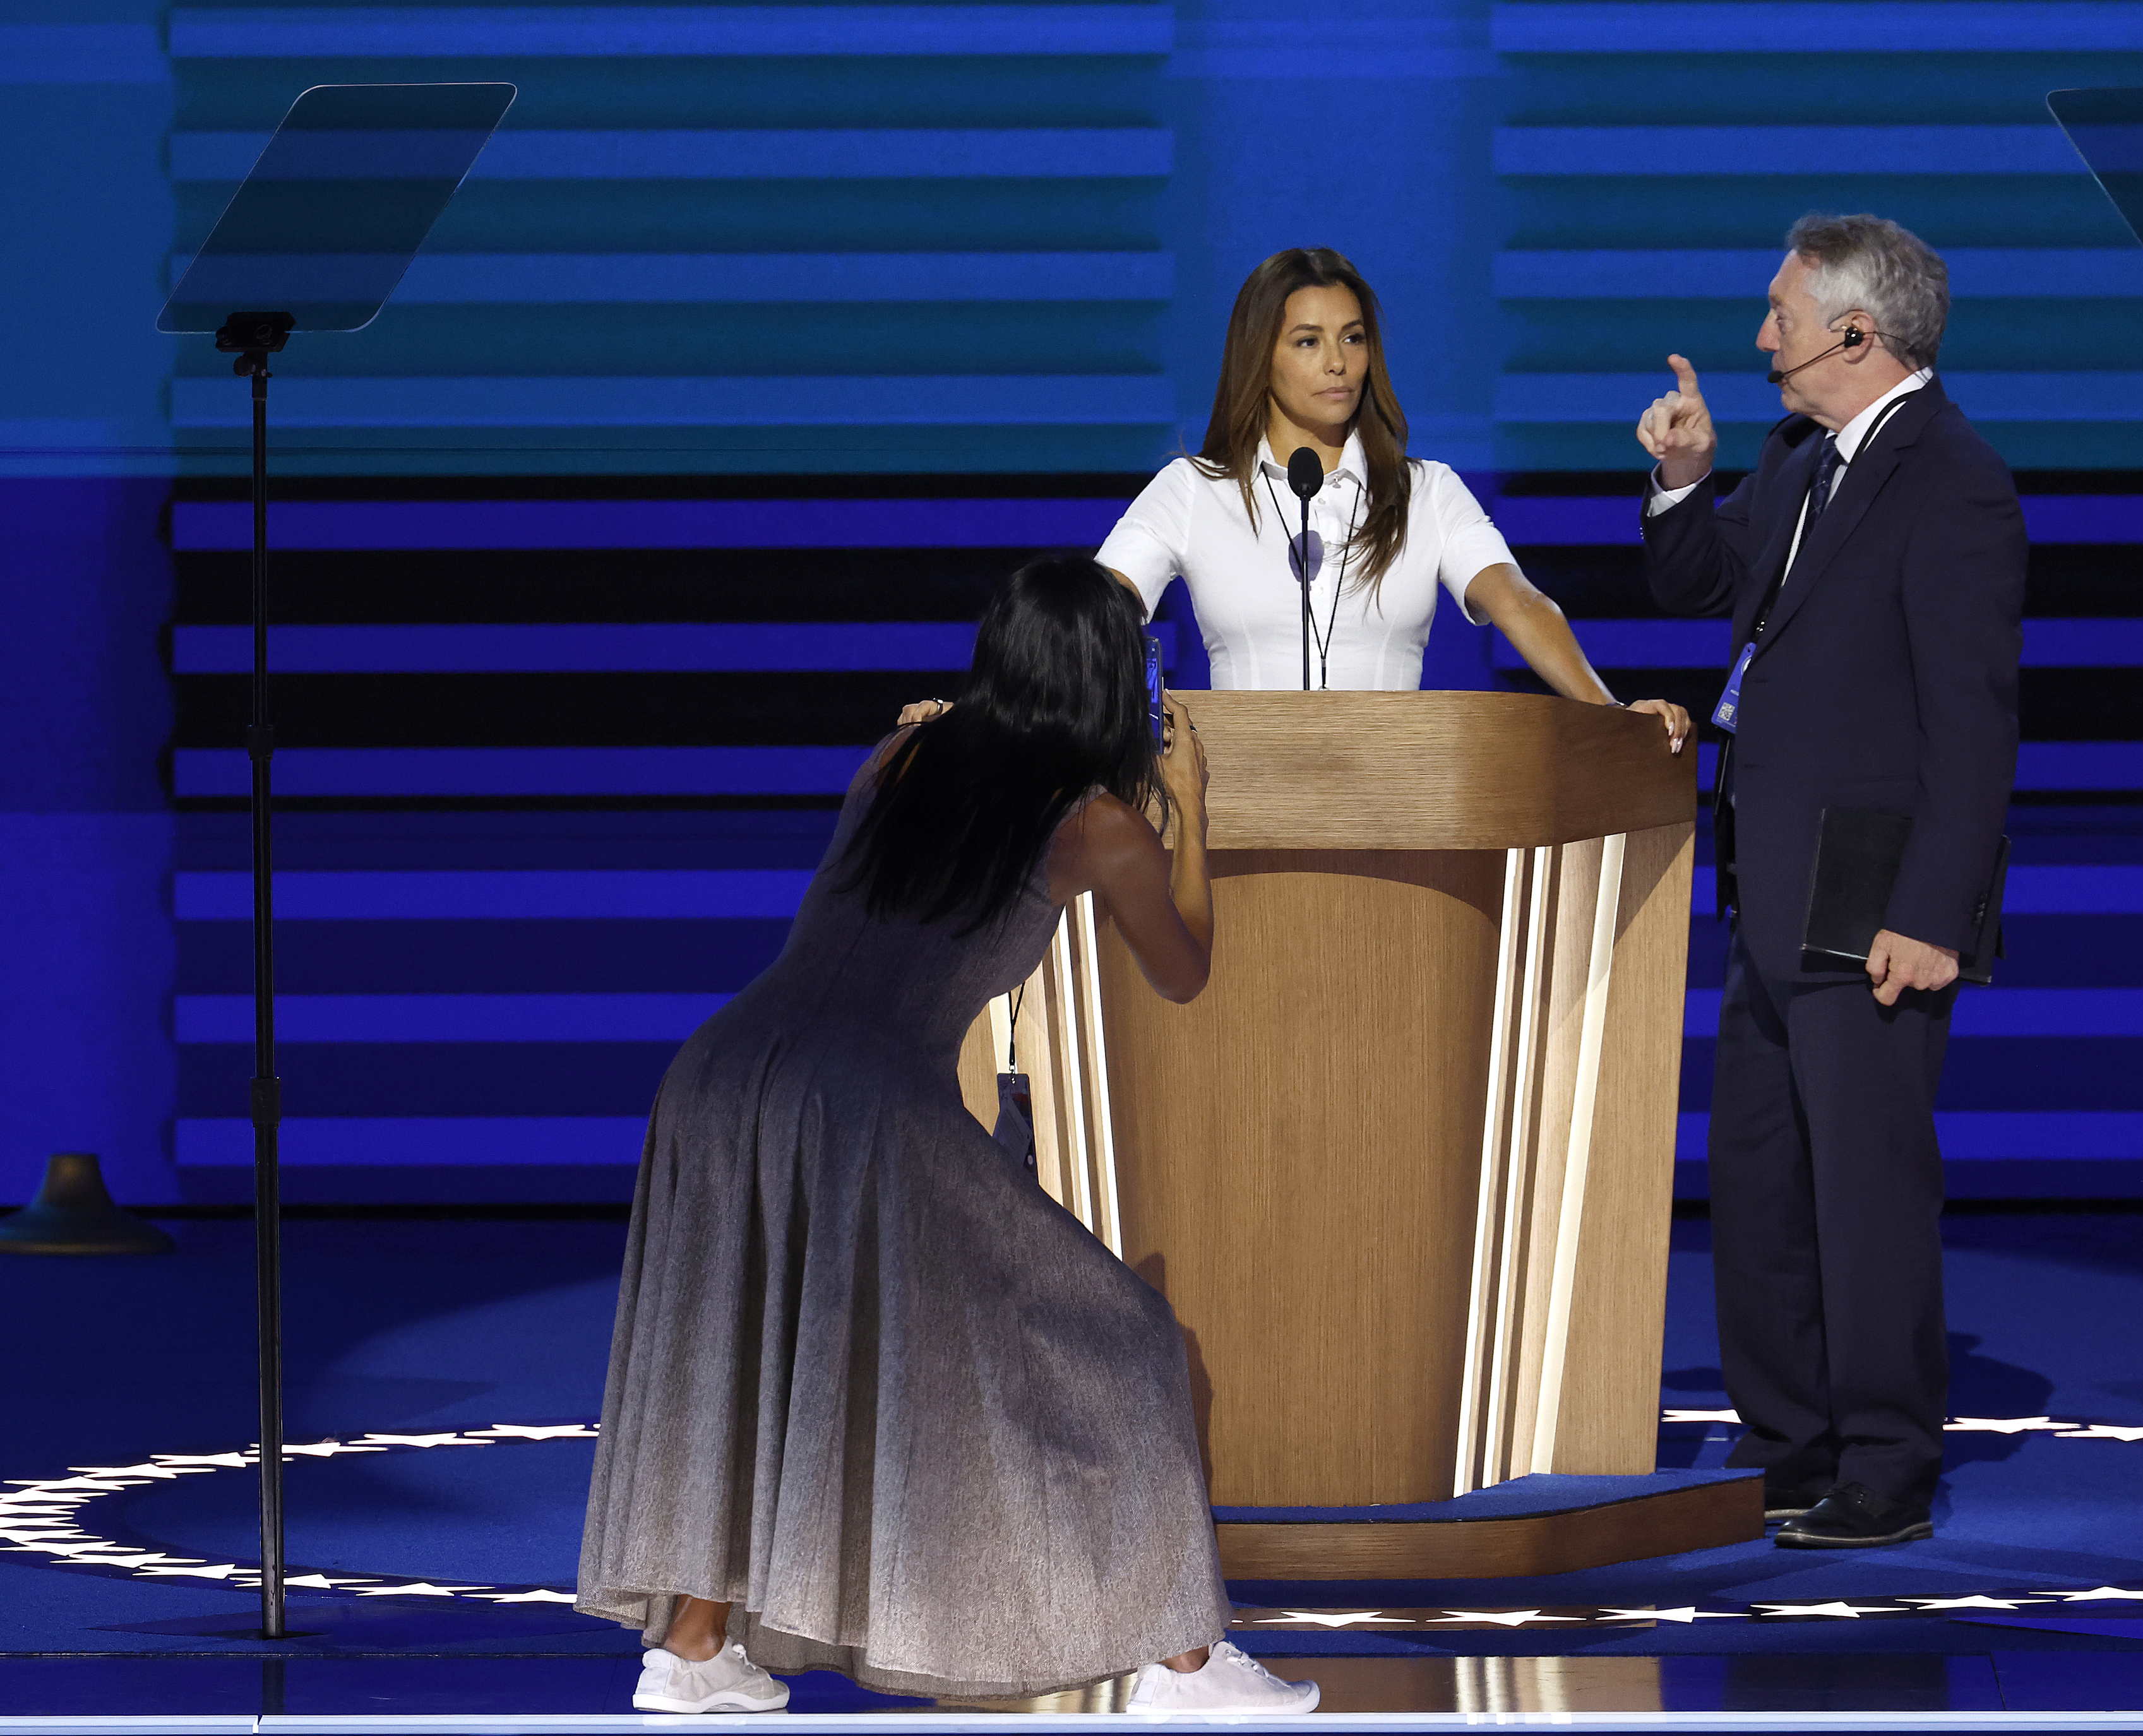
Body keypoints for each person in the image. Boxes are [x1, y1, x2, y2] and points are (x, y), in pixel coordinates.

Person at [576, 555, 1319, 1715]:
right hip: (866, 1098)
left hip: (722, 1073)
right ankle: (1185, 1664)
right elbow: (1185, 971)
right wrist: (1197, 811)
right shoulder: (1100, 823)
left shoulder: (898, 759)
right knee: (1128, 1340)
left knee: (744, 1338)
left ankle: (692, 1645)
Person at [1633, 214, 2024, 1548]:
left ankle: (1883, 1460)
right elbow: (1701, 585)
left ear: (1856, 334)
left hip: (1871, 890)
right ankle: (1785, 1444)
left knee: (1861, 1186)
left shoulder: (1950, 481)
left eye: (1781, 317)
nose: (1760, 340)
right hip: (1769, 872)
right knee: (1757, 1175)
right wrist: (1683, 478)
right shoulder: (1802, 460)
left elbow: (1972, 725)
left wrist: (1930, 915)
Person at [1098, 246, 1689, 748]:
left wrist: (1613, 718)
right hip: (1237, 810)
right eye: (1308, 342)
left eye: (1352, 339)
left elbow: (1520, 604)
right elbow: (1092, 614)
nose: (1337, 363)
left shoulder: (1425, 491)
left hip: (1399, 812)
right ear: (1260, 357)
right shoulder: (1195, 490)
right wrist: (1137, 719)